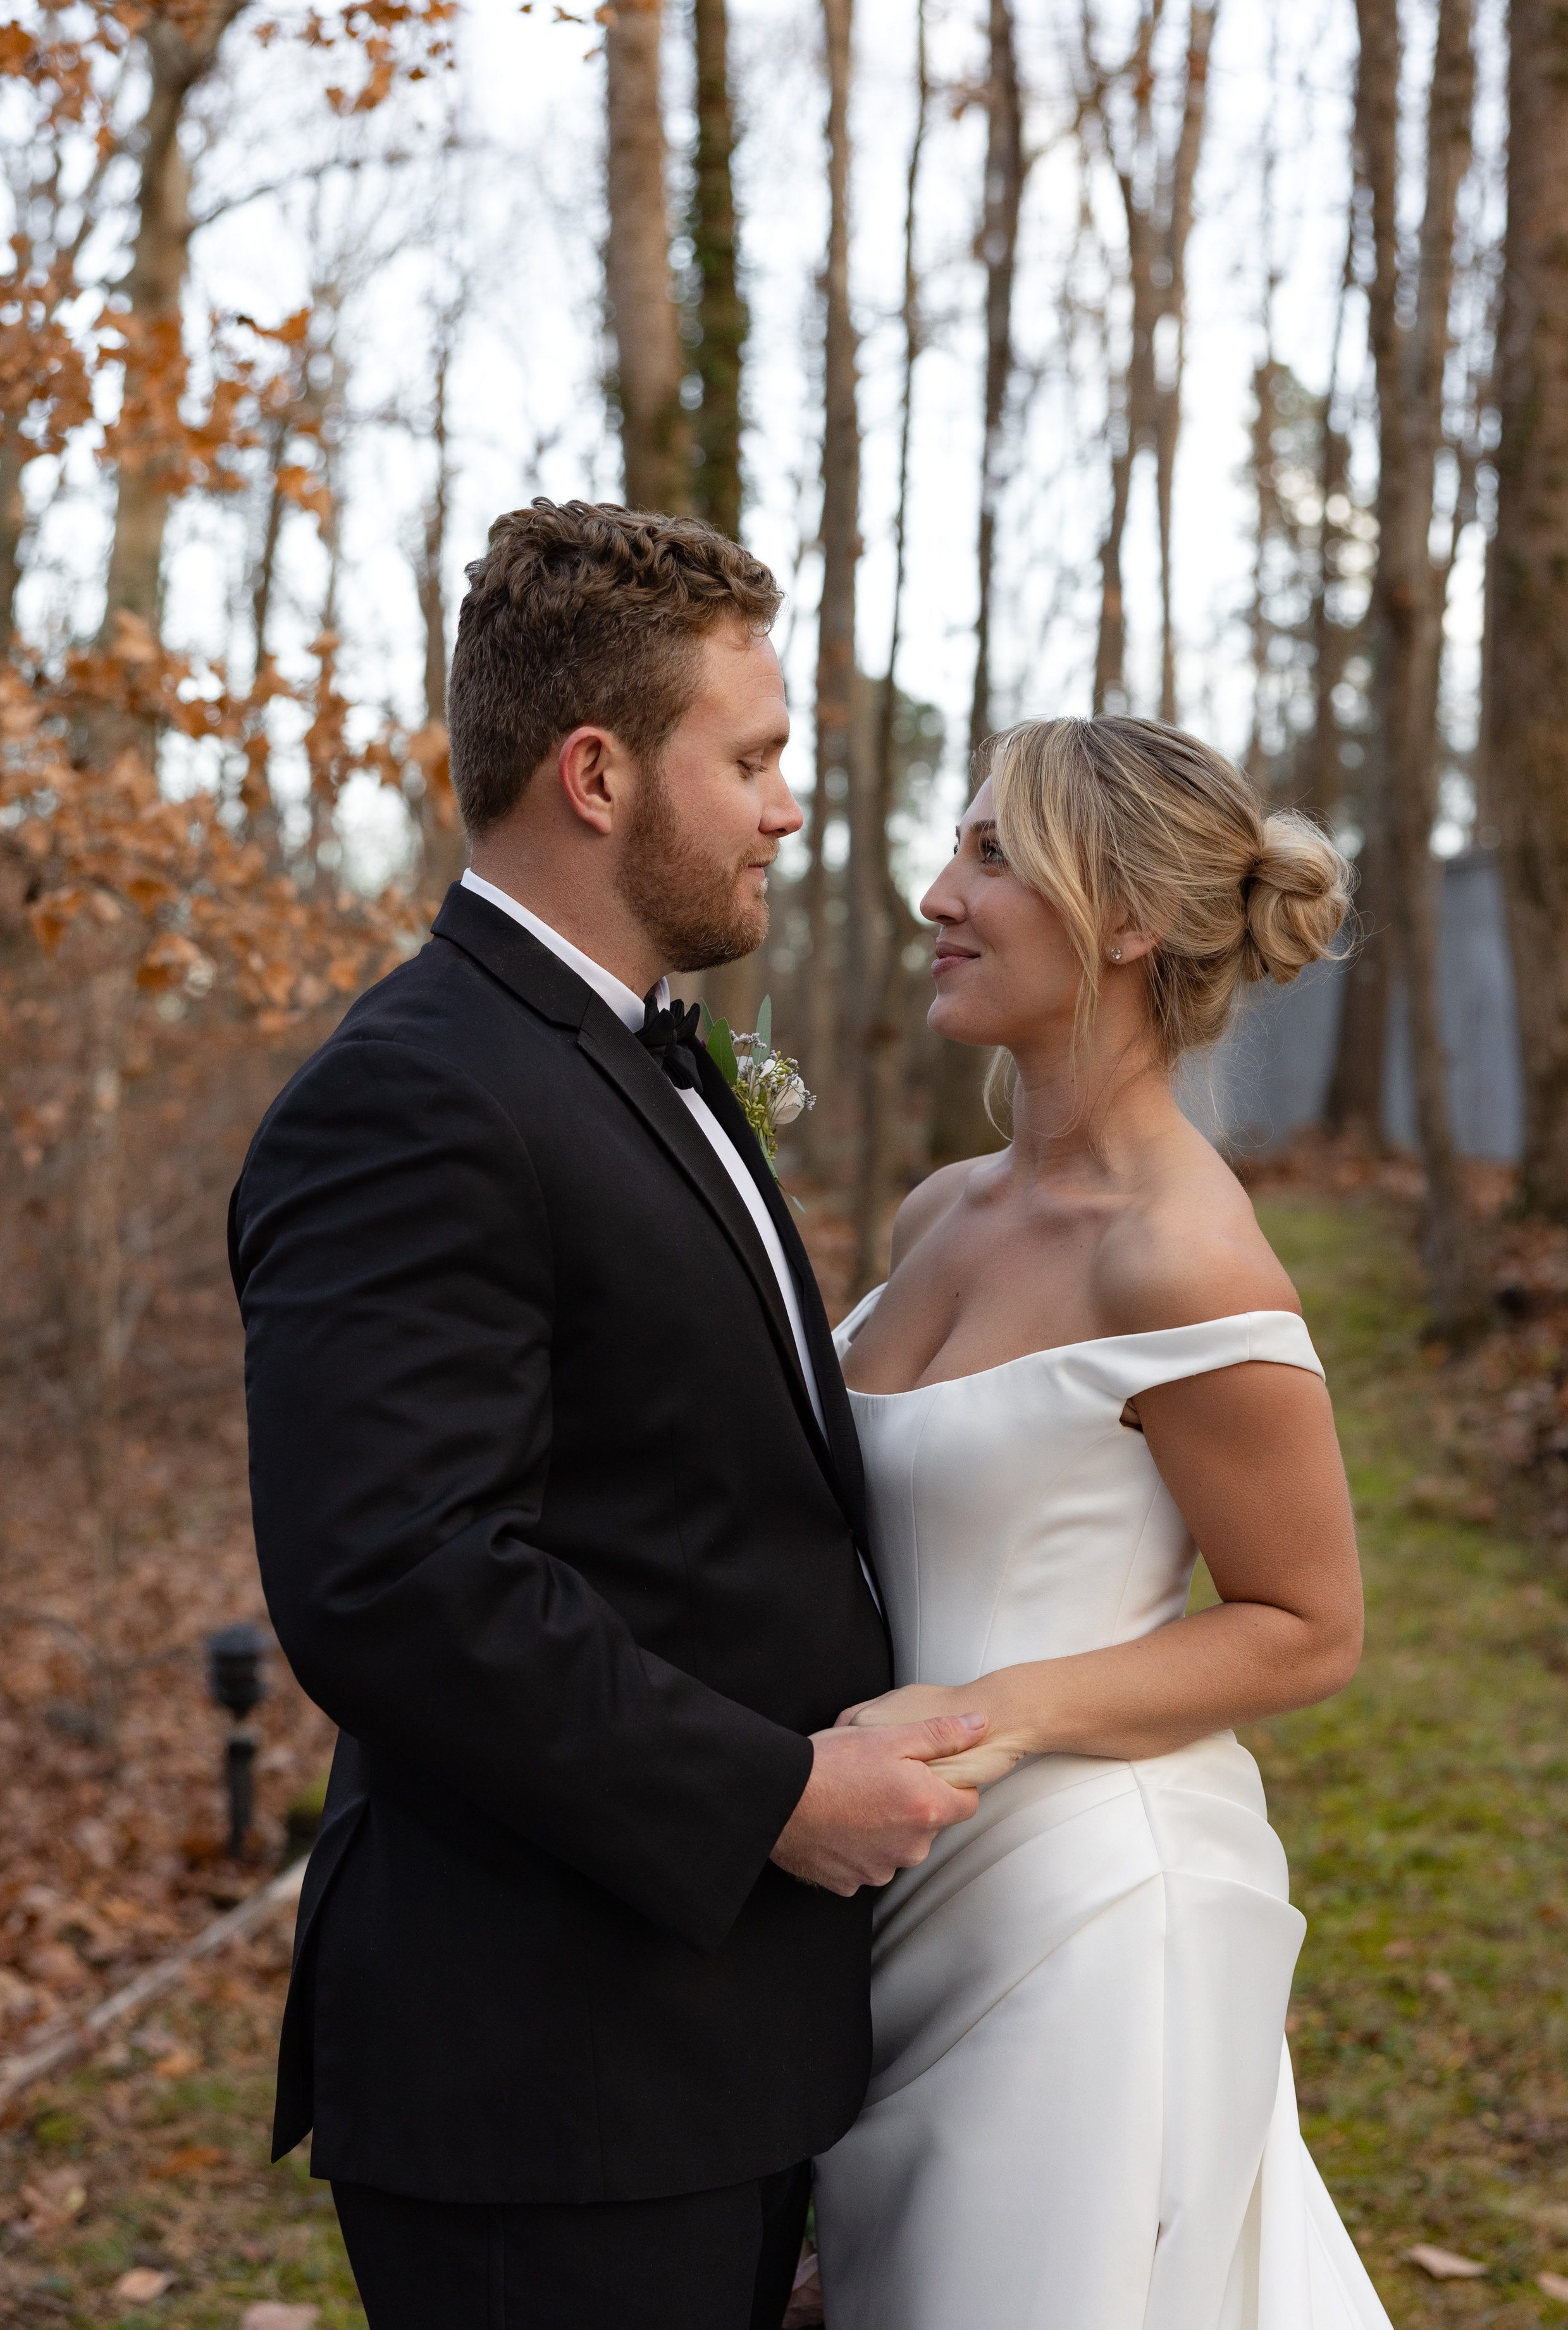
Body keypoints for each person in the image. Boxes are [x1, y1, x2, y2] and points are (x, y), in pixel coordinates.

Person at [228, 500, 989, 2330]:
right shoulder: (413, 1096)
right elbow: (397, 1577)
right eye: (752, 757)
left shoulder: (620, 1044)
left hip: (701, 2046)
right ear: (595, 772)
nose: (789, 807)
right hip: (548, 2078)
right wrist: (778, 1792)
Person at [813, 714, 1393, 2329]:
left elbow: (1307, 1624)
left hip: (1080, 1912)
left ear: (1126, 921)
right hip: (885, 1890)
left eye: (991, 855)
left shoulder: (1179, 1255)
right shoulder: (940, 1210)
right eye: (956, 842)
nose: (936, 890)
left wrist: (992, 1716)